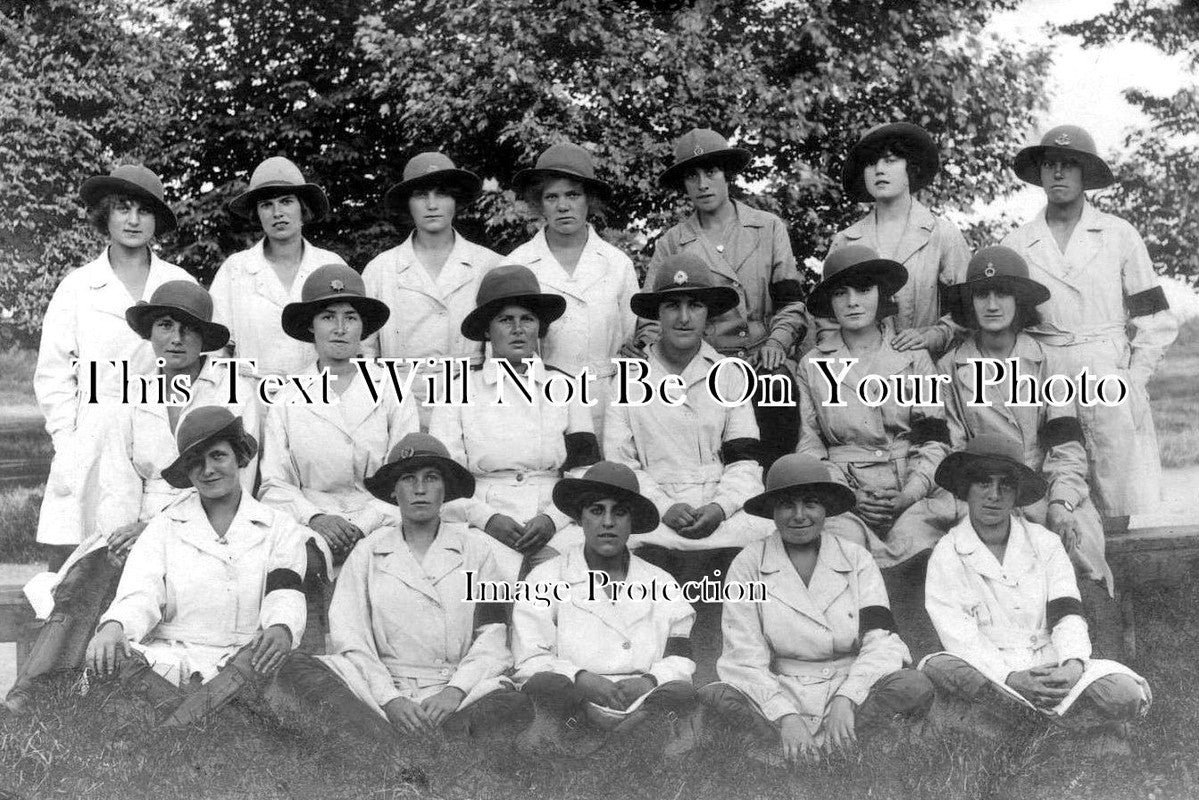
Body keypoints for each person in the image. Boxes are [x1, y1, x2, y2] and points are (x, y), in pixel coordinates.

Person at [7, 282, 255, 714]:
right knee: (90, 572)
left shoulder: (232, 388)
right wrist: (120, 537)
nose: (175, 338)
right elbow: (119, 481)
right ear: (151, 333)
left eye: (188, 328)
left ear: (204, 338)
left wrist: (154, 530)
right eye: (165, 325)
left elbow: (236, 479)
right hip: (136, 526)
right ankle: (33, 694)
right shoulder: (134, 392)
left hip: (211, 521)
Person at [1000, 125, 1178, 534]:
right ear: (1039, 174)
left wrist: (1134, 379)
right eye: (1050, 165)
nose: (1058, 173)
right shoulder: (1018, 242)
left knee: (1114, 498)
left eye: (1069, 165)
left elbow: (1154, 318)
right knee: (1053, 498)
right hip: (1046, 371)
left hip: (1106, 367)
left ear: (1086, 175)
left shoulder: (1119, 235)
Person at [699, 454, 933, 764]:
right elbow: (743, 655)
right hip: (780, 689)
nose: (799, 516)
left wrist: (847, 698)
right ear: (772, 511)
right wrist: (785, 716)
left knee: (914, 684)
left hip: (847, 687)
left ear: (825, 508)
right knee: (714, 696)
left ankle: (797, 753)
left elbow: (882, 640)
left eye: (810, 503)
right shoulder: (748, 564)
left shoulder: (856, 558)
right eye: (786, 505)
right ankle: (825, 748)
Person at [921, 435, 1151, 748]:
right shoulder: (947, 554)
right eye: (983, 484)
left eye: (1005, 485)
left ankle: (1017, 732)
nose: (994, 495)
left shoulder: (1045, 543)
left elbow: (1067, 614)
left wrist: (1071, 665)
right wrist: (1011, 677)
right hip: (992, 673)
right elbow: (961, 638)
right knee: (943, 666)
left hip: (1051, 667)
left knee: (1125, 694)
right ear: (966, 490)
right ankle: (1069, 734)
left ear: (1016, 494)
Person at [310, 432, 531, 737]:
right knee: (302, 672)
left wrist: (454, 692)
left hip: (452, 691)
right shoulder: (368, 551)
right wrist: (391, 699)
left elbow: (492, 636)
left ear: (446, 490)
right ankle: (423, 744)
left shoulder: (476, 551)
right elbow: (351, 638)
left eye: (431, 478)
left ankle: (400, 747)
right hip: (382, 691)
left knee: (513, 703)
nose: (420, 490)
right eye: (408, 479)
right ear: (393, 492)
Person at [34, 164, 195, 570]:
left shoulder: (178, 282)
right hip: (94, 433)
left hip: (159, 429)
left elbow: (201, 361)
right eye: (123, 208)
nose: (134, 220)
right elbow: (54, 374)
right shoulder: (78, 286)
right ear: (105, 215)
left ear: (157, 220)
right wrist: (66, 441)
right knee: (78, 566)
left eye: (145, 210)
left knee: (157, 554)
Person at [84, 407, 307, 692]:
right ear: (186, 471)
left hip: (247, 657)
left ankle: (187, 719)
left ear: (239, 457)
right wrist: (115, 625)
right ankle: (205, 714)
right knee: (121, 665)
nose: (208, 470)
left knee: (271, 676)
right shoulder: (163, 526)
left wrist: (281, 627)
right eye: (195, 461)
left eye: (218, 455)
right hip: (171, 658)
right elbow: (140, 593)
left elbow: (284, 591)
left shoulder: (279, 527)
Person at [935, 245, 1114, 599]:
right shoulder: (950, 366)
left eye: (1002, 294)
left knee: (1079, 545)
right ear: (969, 304)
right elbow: (952, 448)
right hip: (981, 490)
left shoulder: (1047, 361)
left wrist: (1061, 502)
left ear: (1020, 302)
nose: (991, 305)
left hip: (1045, 485)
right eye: (981, 295)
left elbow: (1066, 445)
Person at [603, 253, 783, 585]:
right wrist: (661, 506)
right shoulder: (629, 377)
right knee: (615, 549)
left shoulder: (729, 375)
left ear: (709, 314)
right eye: (672, 305)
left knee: (770, 539)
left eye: (695, 305)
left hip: (719, 507)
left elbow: (745, 460)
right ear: (657, 313)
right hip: (653, 510)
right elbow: (620, 463)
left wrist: (721, 507)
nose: (684, 318)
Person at [639, 128, 808, 466]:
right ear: (683, 185)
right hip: (702, 361)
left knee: (778, 395)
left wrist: (777, 342)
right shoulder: (673, 242)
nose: (702, 184)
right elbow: (651, 319)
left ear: (727, 175)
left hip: (762, 358)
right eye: (692, 176)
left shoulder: (768, 227)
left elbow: (791, 302)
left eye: (711, 172)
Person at [512, 461, 698, 758]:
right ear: (579, 518)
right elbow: (530, 657)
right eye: (597, 510)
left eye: (619, 512)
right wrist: (580, 678)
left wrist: (648, 681)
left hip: (641, 697)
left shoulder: (660, 581)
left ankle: (619, 736)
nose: (608, 522)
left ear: (632, 521)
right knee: (545, 684)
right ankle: (597, 734)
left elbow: (681, 657)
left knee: (682, 692)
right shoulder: (547, 577)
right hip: (574, 695)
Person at [429, 264, 599, 580]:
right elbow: (442, 476)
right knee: (474, 582)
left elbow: (584, 472)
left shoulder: (566, 387)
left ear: (539, 328)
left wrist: (552, 519)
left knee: (574, 579)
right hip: (479, 518)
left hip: (554, 514)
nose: (518, 329)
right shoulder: (457, 389)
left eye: (527, 319)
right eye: (506, 320)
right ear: (486, 330)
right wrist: (487, 518)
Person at [796, 244, 951, 567]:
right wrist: (847, 496)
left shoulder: (913, 356)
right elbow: (810, 446)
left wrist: (908, 494)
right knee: (842, 550)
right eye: (841, 293)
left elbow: (935, 438)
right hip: (846, 493)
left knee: (921, 547)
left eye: (864, 289)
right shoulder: (812, 364)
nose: (853, 301)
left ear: (881, 294)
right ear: (830, 302)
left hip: (913, 487)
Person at [258, 263, 420, 573]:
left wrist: (363, 523)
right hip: (308, 523)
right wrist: (316, 519)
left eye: (351, 317)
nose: (340, 328)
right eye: (328, 317)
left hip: (381, 519)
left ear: (363, 327)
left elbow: (407, 474)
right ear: (311, 326)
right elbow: (275, 485)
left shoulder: (392, 390)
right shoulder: (286, 397)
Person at [507, 141, 641, 437]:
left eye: (572, 194)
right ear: (539, 203)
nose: (563, 205)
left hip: (608, 401)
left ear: (588, 200)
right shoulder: (518, 264)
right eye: (551, 196)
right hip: (541, 399)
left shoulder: (617, 263)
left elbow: (634, 341)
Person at [361, 152, 502, 429]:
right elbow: (364, 350)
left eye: (442, 194)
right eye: (421, 195)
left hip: (470, 400)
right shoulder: (381, 268)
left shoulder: (489, 264)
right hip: (399, 400)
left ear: (456, 201)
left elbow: (499, 348)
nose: (432, 204)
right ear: (408, 204)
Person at [826, 122, 970, 357]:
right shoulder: (846, 241)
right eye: (871, 163)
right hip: (861, 375)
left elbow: (969, 308)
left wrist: (934, 335)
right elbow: (826, 319)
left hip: (925, 371)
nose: (879, 170)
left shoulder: (942, 235)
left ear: (910, 168)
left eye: (890, 160)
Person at [209, 156, 345, 384]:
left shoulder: (330, 265)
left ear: (302, 207)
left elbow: (352, 343)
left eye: (286, 201)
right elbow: (218, 348)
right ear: (257, 213)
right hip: (252, 398)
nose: (277, 212)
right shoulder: (236, 269)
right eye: (266, 205)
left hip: (317, 397)